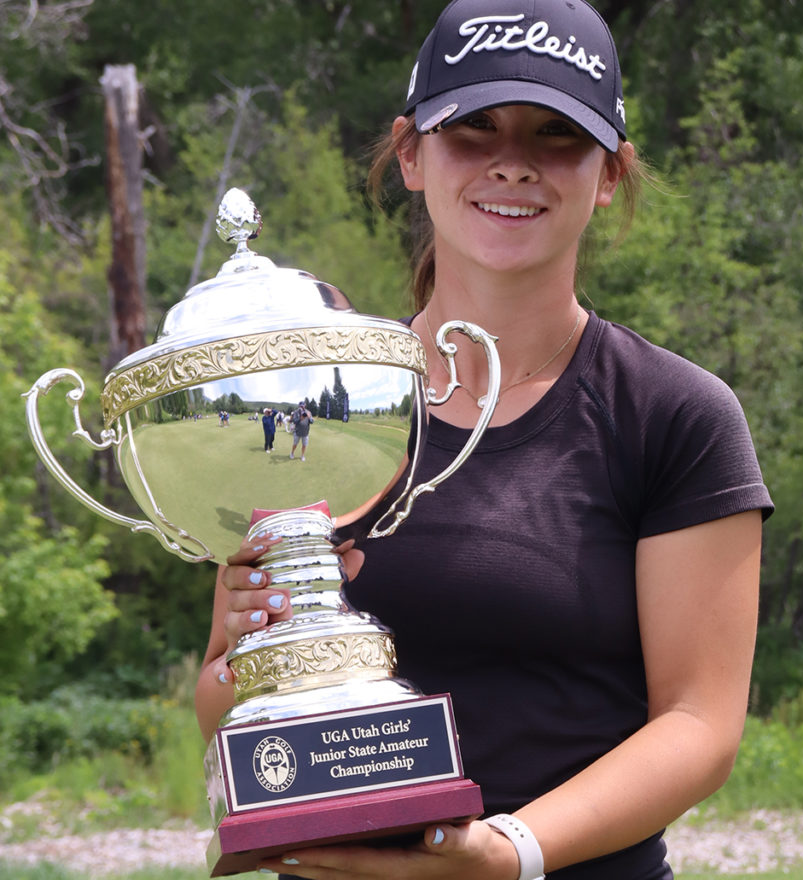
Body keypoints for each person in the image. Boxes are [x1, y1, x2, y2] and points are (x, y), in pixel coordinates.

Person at [196, 1, 773, 878]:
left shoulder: (675, 414)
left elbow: (699, 724)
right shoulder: (311, 398)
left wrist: (509, 854)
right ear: (411, 153)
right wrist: (249, 651)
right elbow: (218, 701)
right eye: (474, 129)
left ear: (609, 173)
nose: (514, 163)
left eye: (556, 136)